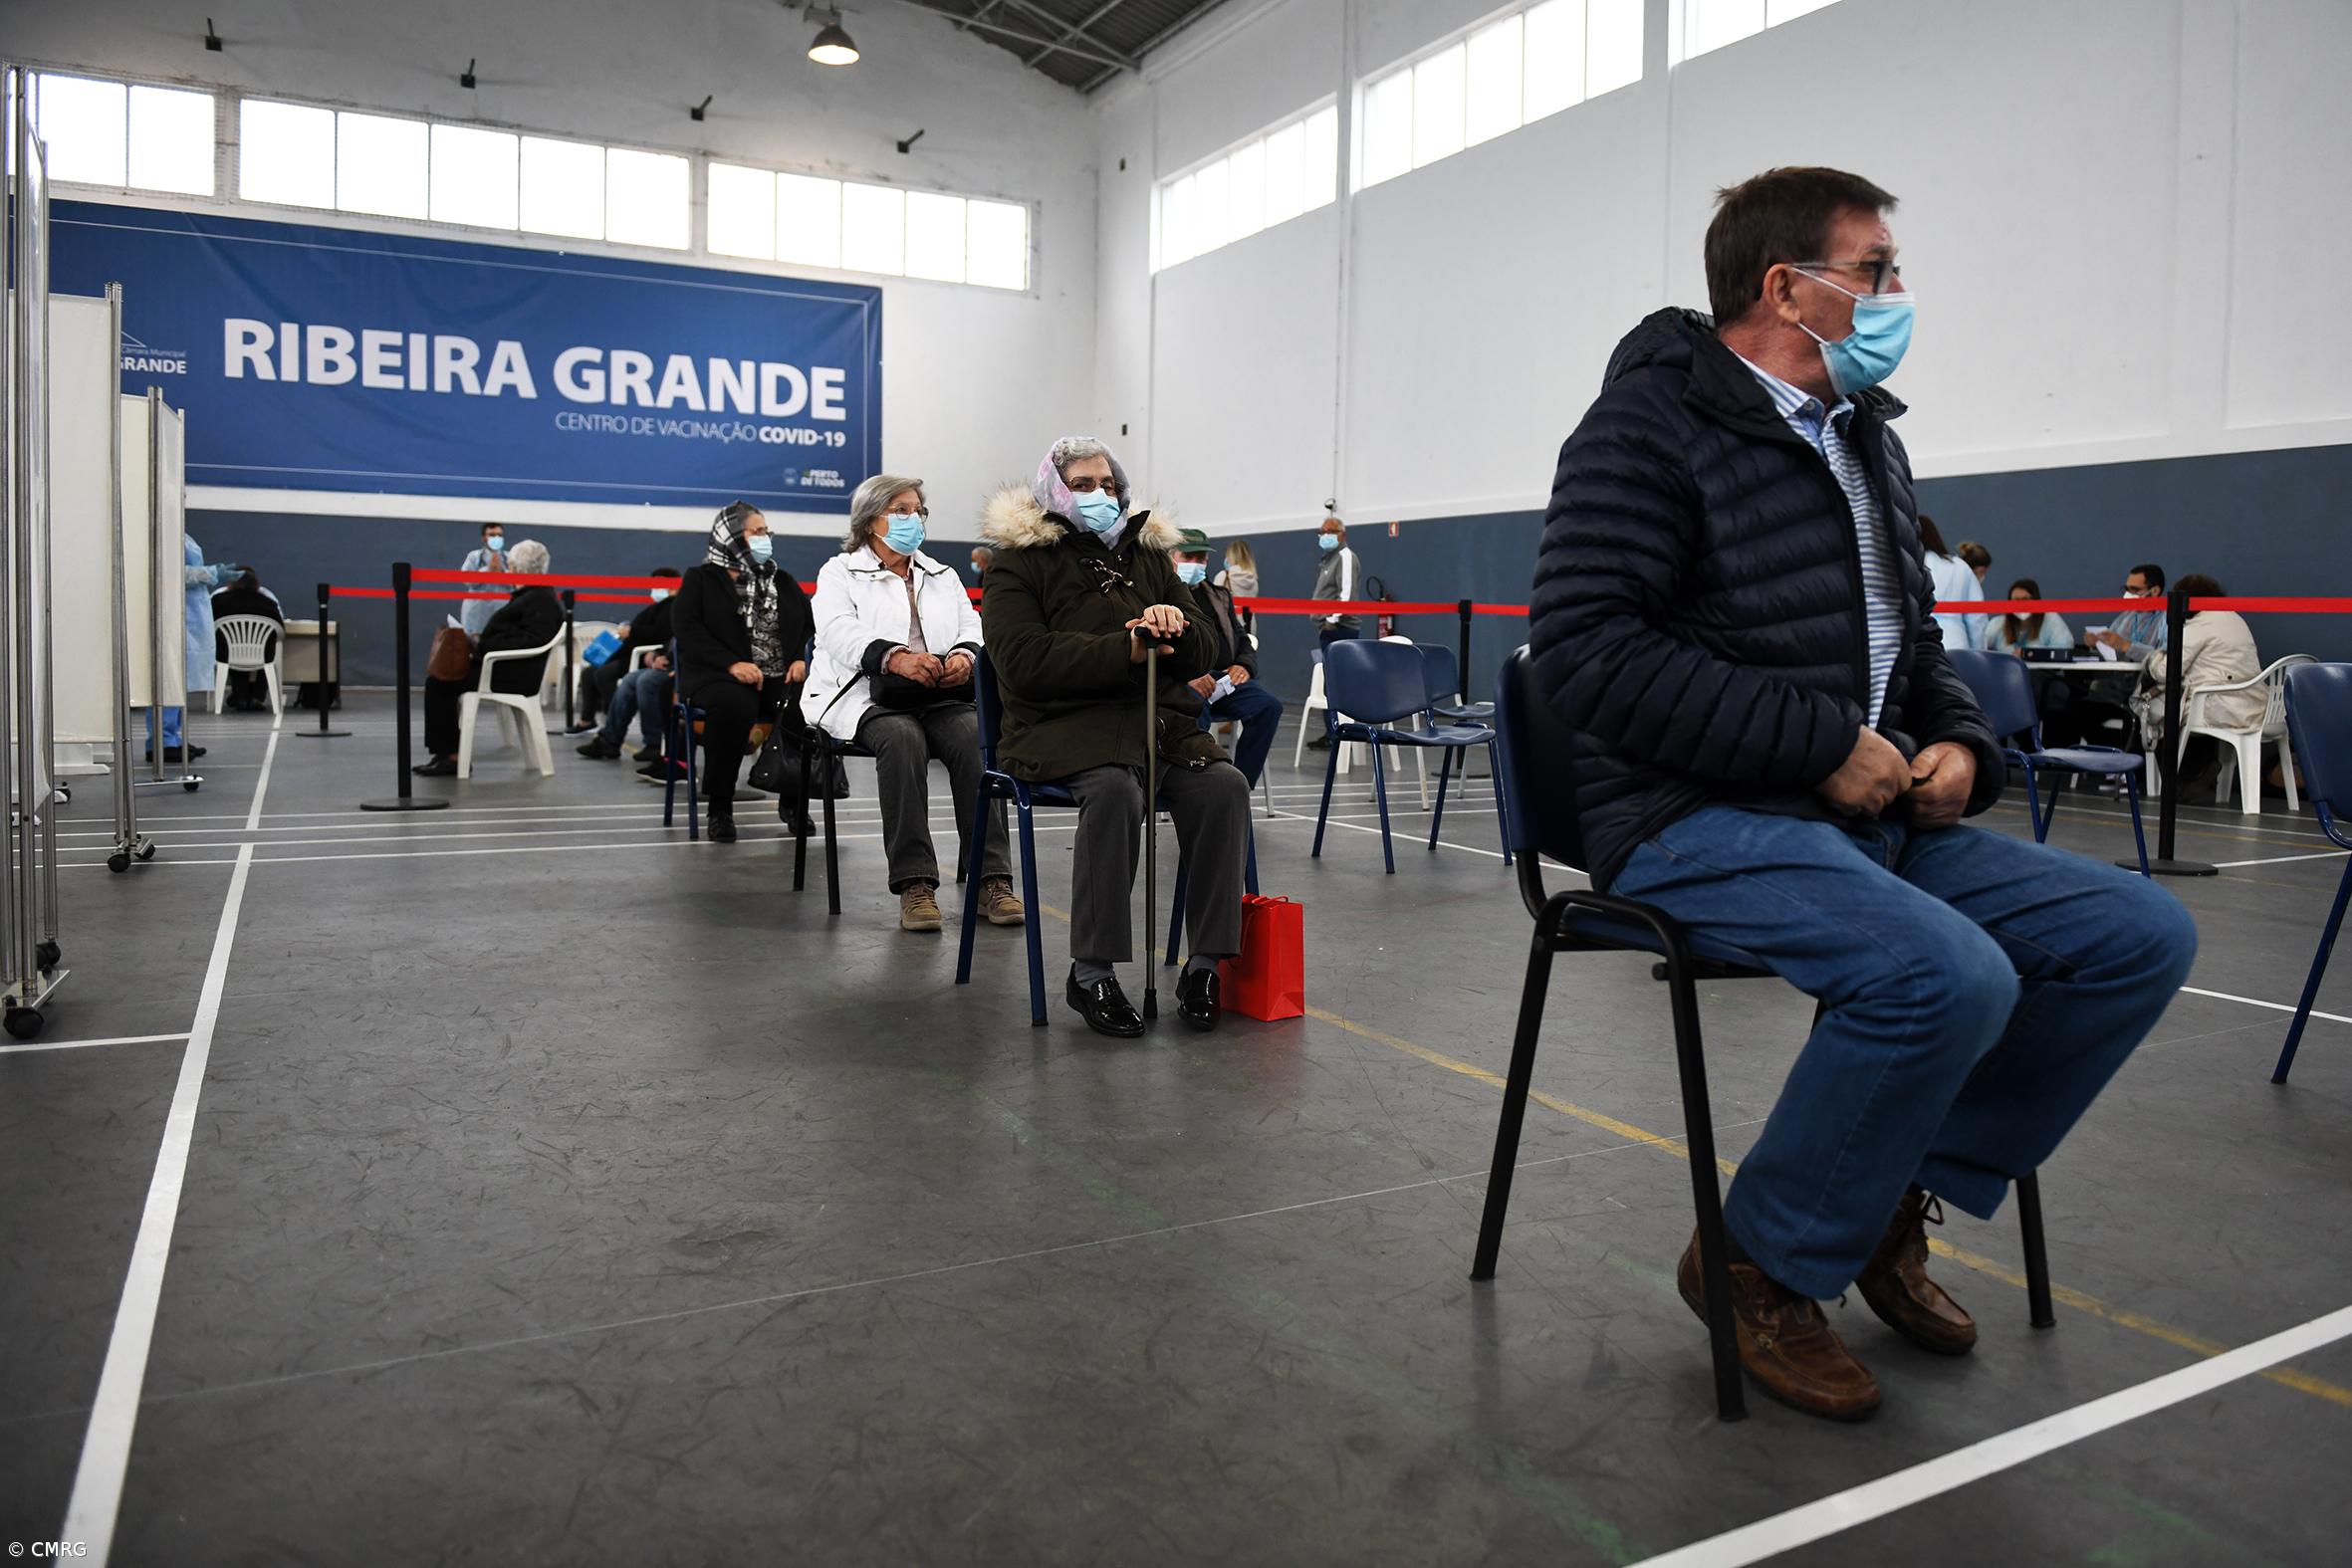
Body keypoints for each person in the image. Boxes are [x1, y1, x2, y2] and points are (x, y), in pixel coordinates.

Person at [1531, 165, 2196, 1422]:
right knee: (1944, 976)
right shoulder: (1643, 427)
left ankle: (1884, 1198)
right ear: (1786, 287)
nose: (1897, 294)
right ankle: (1758, 1264)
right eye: (1876, 271)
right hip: (1686, 816)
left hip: (1854, 813)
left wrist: (1956, 747)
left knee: (2135, 934)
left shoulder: (1865, 439)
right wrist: (1815, 743)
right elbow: (1585, 654)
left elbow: (1914, 657)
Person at [980, 437, 1252, 1037]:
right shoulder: (1015, 564)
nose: (1099, 495)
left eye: (1107, 484)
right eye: (1082, 484)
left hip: (1156, 725)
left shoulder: (1148, 556)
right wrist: (1124, 649)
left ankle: (1205, 963)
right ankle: (1090, 970)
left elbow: (1210, 645)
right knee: (1115, 792)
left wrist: (1175, 627)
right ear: (1053, 491)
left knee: (1224, 788)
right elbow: (1021, 660)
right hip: (1058, 727)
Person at [806, 474, 1022, 934]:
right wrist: (894, 657)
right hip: (864, 695)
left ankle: (992, 879)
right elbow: (837, 631)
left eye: (918, 510)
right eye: (900, 510)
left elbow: (973, 624)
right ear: (870, 521)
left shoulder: (941, 574)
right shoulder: (838, 572)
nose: (914, 518)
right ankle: (915, 883)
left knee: (974, 738)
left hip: (938, 693)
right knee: (902, 739)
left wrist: (965, 654)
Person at [673, 502, 813, 843]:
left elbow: (810, 625)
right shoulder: (701, 580)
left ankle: (793, 802)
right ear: (732, 536)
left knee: (805, 703)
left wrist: (799, 658)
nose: (766, 538)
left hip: (779, 675)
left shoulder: (782, 580)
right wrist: (731, 664)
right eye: (757, 531)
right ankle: (720, 807)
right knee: (733, 704)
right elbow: (687, 630)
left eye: (767, 531)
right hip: (718, 675)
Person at [414, 540, 564, 777]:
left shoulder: (540, 600)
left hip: (513, 675)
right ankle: (446, 752)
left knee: (440, 683)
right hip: (504, 667)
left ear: (519, 569)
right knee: (441, 680)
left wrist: (486, 644)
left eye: (512, 566)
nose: (509, 571)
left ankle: (451, 755)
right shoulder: (533, 595)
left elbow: (531, 641)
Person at [2130, 572, 2261, 795]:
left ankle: (2180, 780)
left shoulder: (2200, 624)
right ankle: (2198, 771)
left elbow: (2165, 672)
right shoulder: (2233, 617)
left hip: (2219, 705)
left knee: (2154, 711)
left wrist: (2152, 657)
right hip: (2253, 703)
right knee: (2174, 707)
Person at [1171, 529, 1284, 786]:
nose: (1195, 564)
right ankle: (1198, 786)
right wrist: (1187, 677)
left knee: (1268, 707)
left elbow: (1242, 640)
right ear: (1172, 557)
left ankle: (1239, 784)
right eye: (1188, 558)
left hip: (1225, 682)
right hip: (1186, 682)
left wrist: (1244, 665)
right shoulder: (1162, 596)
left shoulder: (1219, 595)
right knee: (1194, 706)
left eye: (1201, 559)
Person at [147, 533, 237, 763]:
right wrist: (211, 573)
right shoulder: (161, 531)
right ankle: (161, 741)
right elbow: (171, 573)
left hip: (189, 615)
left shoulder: (180, 533)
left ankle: (173, 738)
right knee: (168, 681)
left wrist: (210, 572)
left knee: (179, 682)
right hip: (175, 616)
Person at [576, 567, 682, 759]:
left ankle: (653, 744)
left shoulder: (675, 606)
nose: (655, 588)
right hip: (654, 656)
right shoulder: (659, 607)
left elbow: (664, 632)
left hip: (655, 660)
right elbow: (670, 639)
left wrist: (634, 634)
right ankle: (609, 738)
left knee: (639, 680)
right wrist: (659, 653)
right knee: (624, 679)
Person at [1307, 517, 1361, 747]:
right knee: (1330, 684)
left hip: (1340, 629)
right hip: (1326, 630)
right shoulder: (1326, 559)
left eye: (1330, 530)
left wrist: (1332, 619)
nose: (1325, 535)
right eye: (1322, 531)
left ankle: (1343, 734)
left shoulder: (1346, 557)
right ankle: (1333, 733)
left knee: (1341, 684)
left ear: (1342, 534)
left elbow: (1346, 594)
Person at [210, 567, 286, 713]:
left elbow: (207, 626)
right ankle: (257, 696)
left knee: (230, 647)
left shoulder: (218, 601)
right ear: (257, 584)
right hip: (263, 656)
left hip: (227, 655)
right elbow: (279, 631)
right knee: (269, 653)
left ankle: (240, 696)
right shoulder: (268, 603)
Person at [1917, 516, 1983, 652]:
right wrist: (1980, 653)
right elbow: (1977, 620)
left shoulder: (1907, 565)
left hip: (1919, 646)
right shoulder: (1959, 566)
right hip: (1957, 645)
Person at [2088, 562, 2171, 658]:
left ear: (2155, 591)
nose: (2128, 594)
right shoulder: (2126, 616)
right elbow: (2109, 652)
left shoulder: (2167, 620)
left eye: (2134, 589)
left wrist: (2125, 646)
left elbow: (2165, 658)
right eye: (2127, 589)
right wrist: (2096, 643)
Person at [1983, 578, 2073, 653]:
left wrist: (2030, 653)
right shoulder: (1998, 623)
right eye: (2016, 600)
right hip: (2007, 672)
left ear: (2036, 600)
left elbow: (2065, 646)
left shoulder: (2050, 618)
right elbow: (1980, 645)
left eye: (2025, 599)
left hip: (2042, 673)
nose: (2021, 604)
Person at [458, 523, 508, 639]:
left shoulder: (509, 557)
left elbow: (517, 583)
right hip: (477, 614)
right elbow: (466, 579)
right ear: (484, 538)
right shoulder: (474, 557)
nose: (496, 538)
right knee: (474, 649)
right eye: (492, 535)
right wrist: (487, 570)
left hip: (502, 612)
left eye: (499, 535)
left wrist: (502, 572)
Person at [1215, 539, 1261, 638]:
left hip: (1229, 628)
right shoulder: (1253, 580)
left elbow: (1215, 605)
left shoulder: (1223, 576)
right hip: (1249, 627)